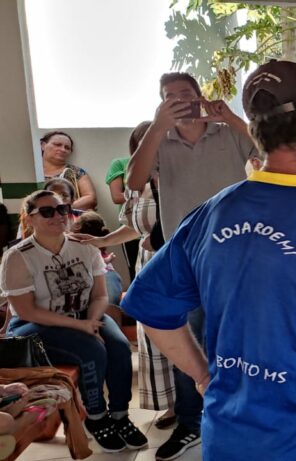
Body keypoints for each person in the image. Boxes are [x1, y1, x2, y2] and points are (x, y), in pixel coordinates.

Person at [121, 60, 296, 461]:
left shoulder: (211, 213)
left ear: (256, 129)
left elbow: (148, 306)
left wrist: (205, 377)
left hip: (227, 439)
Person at [125, 72, 256, 460]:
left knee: (235, 335)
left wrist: (231, 118)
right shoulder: (159, 140)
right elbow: (134, 180)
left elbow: (265, 155)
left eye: (185, 94)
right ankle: (190, 421)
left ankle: (240, 409)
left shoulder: (227, 132)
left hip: (237, 255)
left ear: (200, 97)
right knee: (189, 342)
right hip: (187, 258)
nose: (179, 101)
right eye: (169, 97)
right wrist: (158, 126)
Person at [0, 190, 148, 453]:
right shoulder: (19, 256)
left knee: (119, 346)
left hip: (84, 316)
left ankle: (119, 414)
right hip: (34, 326)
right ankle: (96, 416)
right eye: (47, 211)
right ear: (29, 218)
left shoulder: (83, 246)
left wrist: (91, 320)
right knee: (91, 349)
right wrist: (82, 327)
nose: (58, 216)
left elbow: (101, 294)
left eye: (62, 209)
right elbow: (27, 311)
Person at [76, 121, 177, 429]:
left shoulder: (183, 177)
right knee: (154, 336)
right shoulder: (138, 185)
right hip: (148, 266)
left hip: (179, 265)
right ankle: (169, 405)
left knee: (186, 334)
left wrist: (161, 239)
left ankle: (195, 404)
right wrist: (100, 241)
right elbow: (133, 227)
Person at [39, 131, 97, 211]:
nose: (63, 149)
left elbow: (91, 198)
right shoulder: (31, 173)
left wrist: (63, 209)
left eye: (67, 148)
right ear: (43, 145)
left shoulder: (76, 172)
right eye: (57, 145)